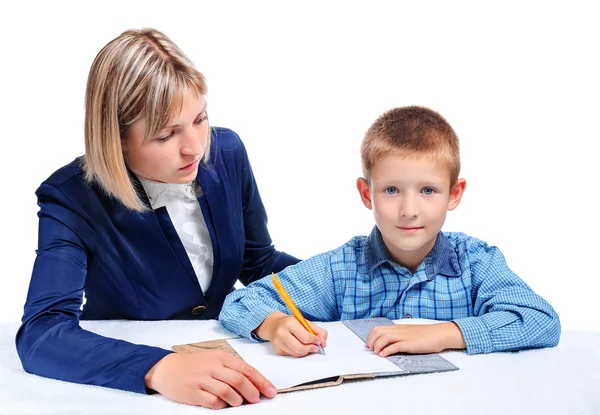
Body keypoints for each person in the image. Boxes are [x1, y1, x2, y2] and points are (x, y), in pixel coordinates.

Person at [15, 28, 299, 409]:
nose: (195, 148)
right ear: (116, 139)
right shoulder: (70, 197)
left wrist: (351, 275)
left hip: (241, 361)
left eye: (200, 119)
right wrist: (159, 368)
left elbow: (258, 263)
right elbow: (42, 332)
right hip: (124, 388)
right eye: (167, 135)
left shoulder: (227, 151)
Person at [219, 106, 561, 358]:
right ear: (367, 193)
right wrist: (275, 324)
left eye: (428, 191)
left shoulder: (476, 263)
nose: (409, 210)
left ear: (454, 194)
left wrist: (446, 334)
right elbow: (240, 302)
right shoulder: (339, 270)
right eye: (392, 190)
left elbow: (541, 320)